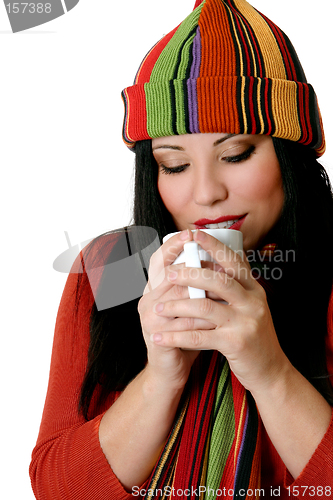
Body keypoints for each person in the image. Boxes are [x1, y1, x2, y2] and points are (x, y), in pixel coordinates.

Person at [30, 0, 333, 499]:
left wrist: (270, 372)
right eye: (174, 165)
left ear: (290, 154)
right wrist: (161, 377)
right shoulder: (113, 265)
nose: (206, 194)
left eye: (235, 154)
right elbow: (56, 488)